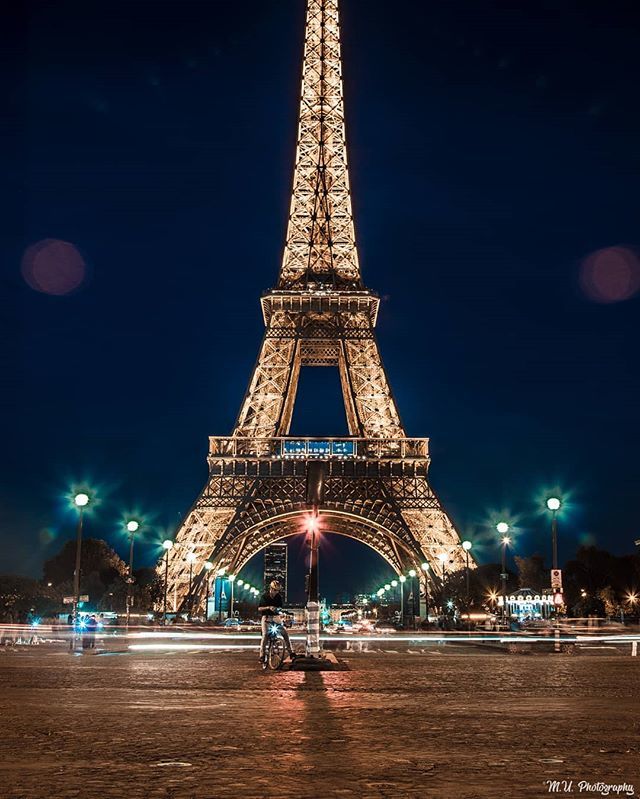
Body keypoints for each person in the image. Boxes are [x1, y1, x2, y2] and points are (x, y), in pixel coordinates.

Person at [257, 580, 296, 663]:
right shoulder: (264, 596)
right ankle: (262, 656)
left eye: (277, 591)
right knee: (265, 635)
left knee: (285, 633)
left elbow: (280, 607)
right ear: (271, 588)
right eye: (275, 590)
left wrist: (279, 610)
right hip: (266, 618)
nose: (276, 592)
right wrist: (268, 607)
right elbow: (259, 608)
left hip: (276, 617)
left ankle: (291, 652)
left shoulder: (278, 597)